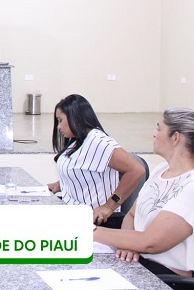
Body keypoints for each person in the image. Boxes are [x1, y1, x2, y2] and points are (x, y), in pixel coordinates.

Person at [95, 108, 194, 278]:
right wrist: (129, 244)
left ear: (175, 138)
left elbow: (150, 243)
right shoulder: (161, 170)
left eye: (159, 128)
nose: (154, 134)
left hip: (167, 277)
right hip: (139, 263)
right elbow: (132, 216)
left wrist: (88, 231)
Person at [47, 94, 145, 227]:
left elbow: (137, 170)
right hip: (74, 210)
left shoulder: (98, 142)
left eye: (60, 120)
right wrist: (60, 184)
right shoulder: (76, 140)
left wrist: (109, 206)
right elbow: (83, 169)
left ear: (75, 118)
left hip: (98, 221)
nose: (58, 127)